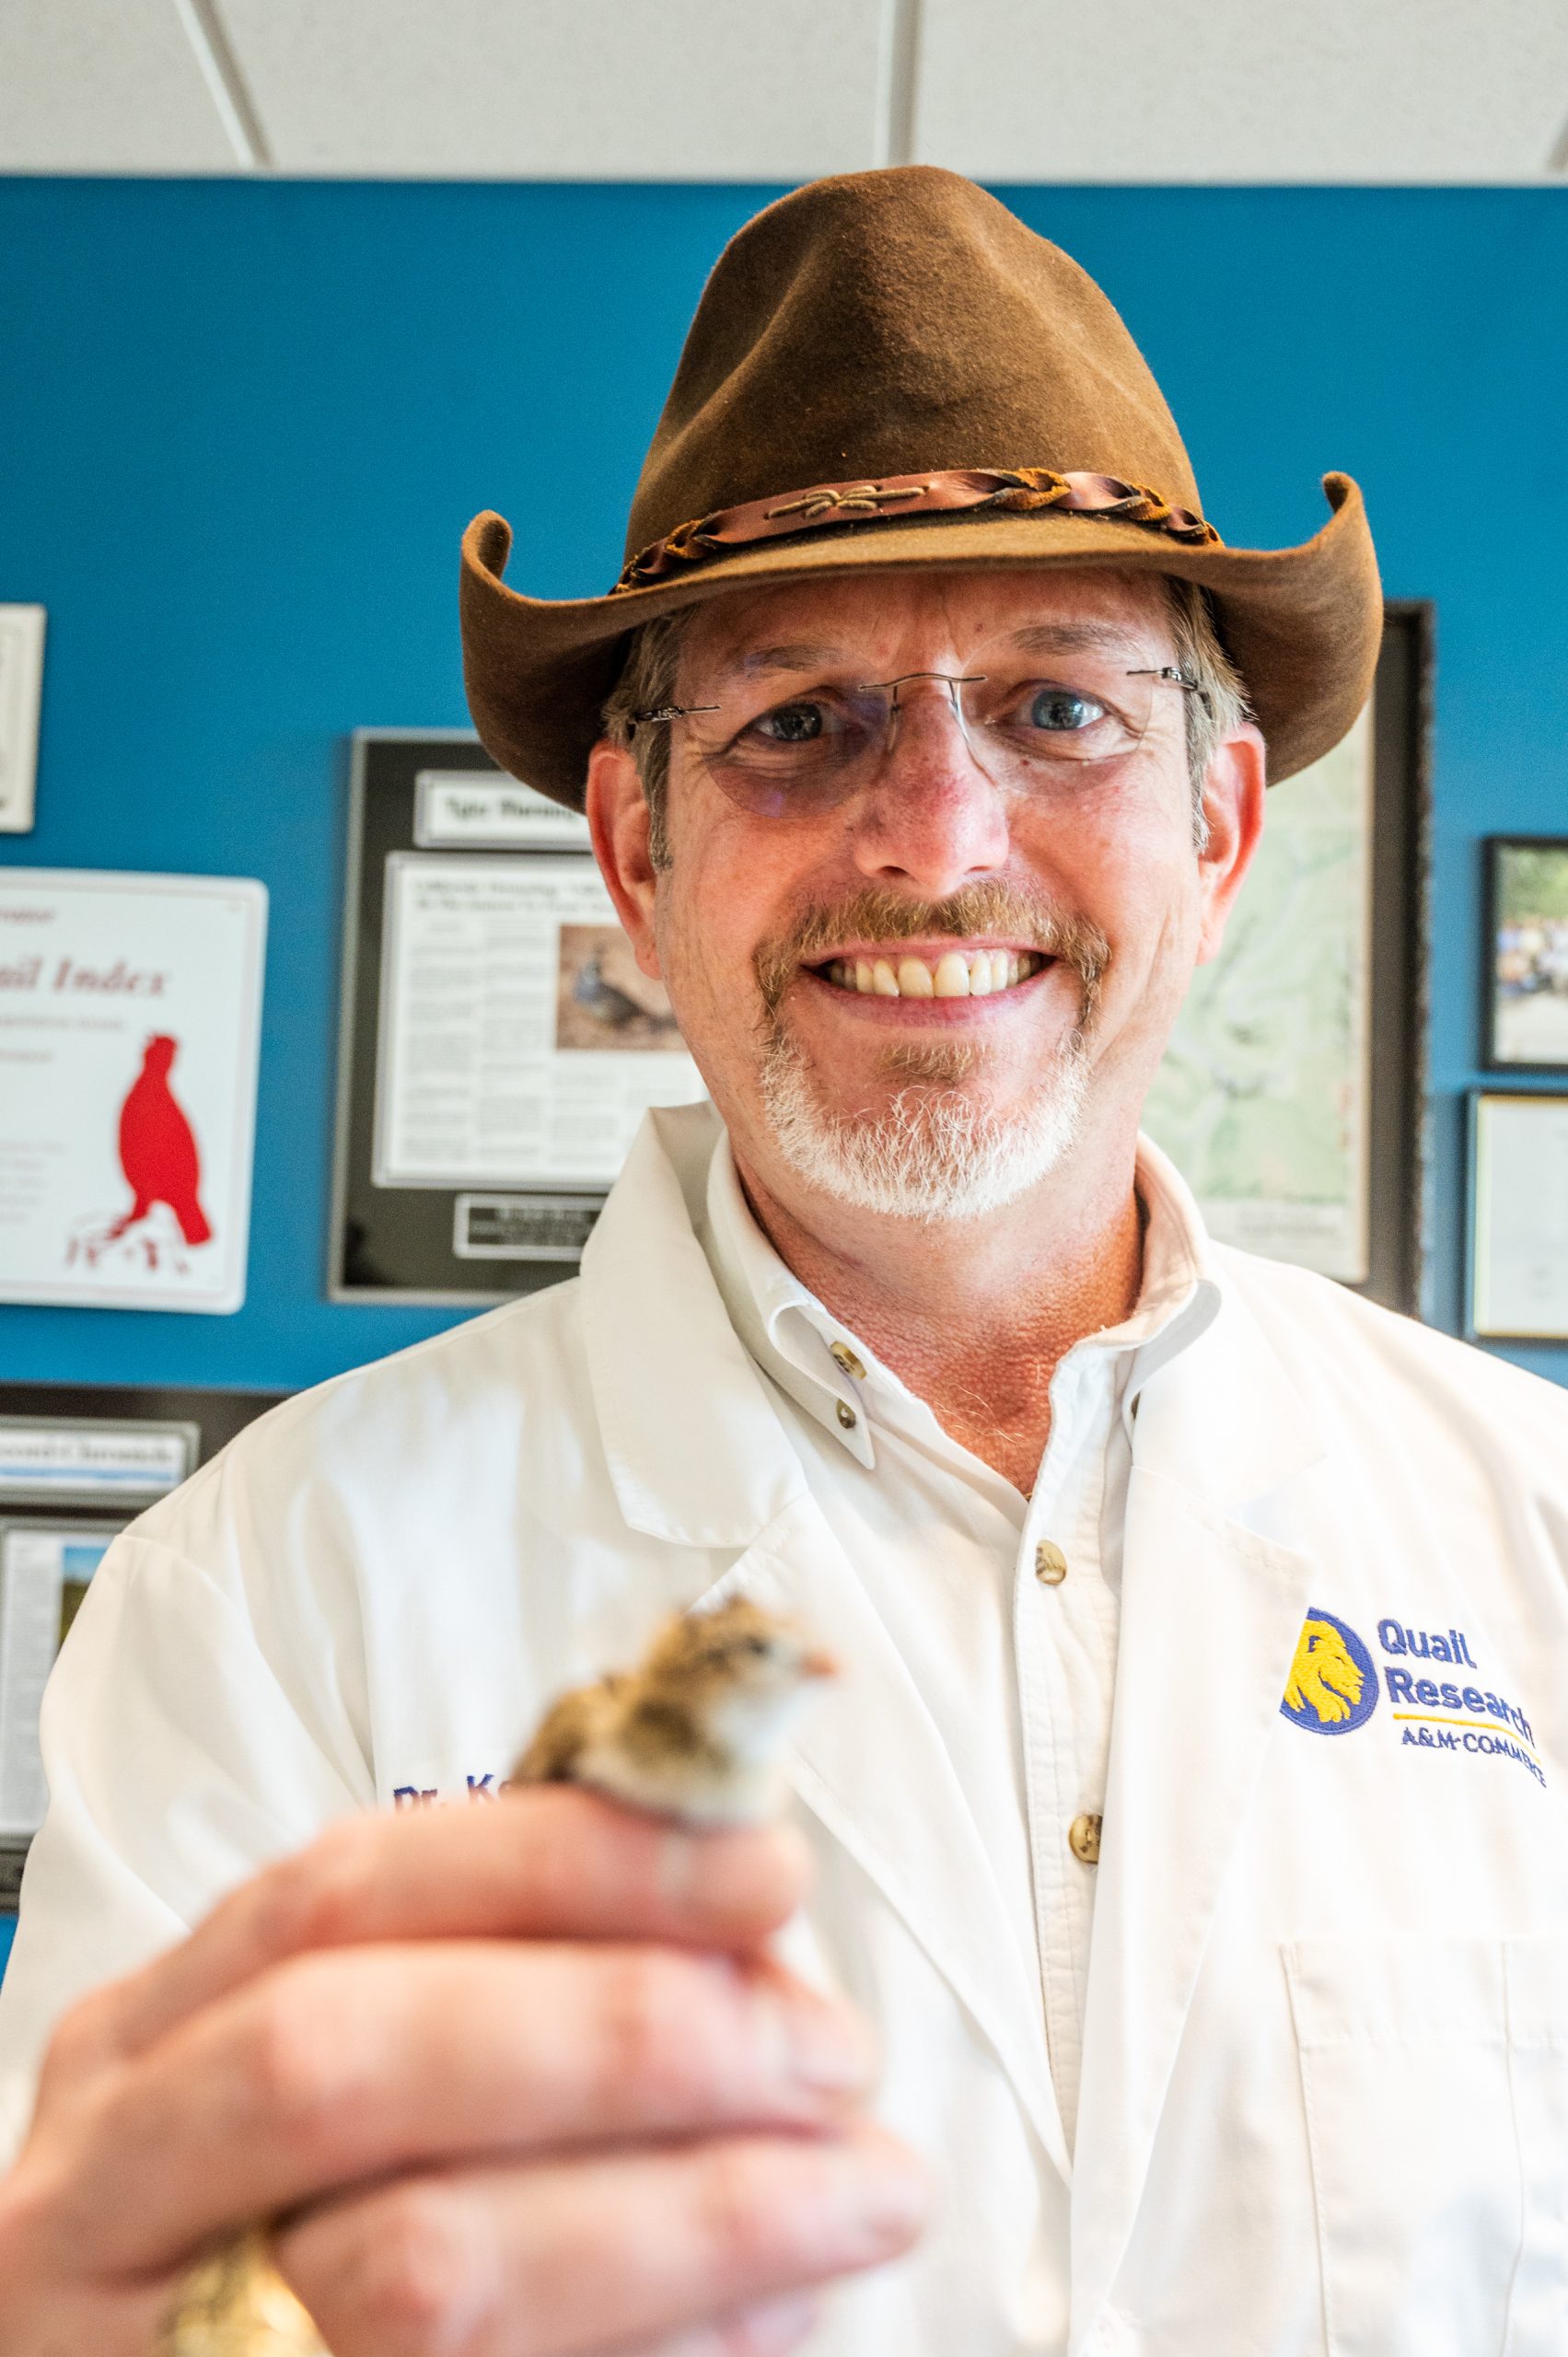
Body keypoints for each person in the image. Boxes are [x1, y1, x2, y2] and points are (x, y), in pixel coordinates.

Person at [3, 165, 1567, 2357]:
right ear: (642, 856)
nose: (935, 832)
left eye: (1058, 708)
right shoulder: (270, 1591)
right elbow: (148, 2294)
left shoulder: (1532, 1528)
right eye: (799, 720)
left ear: (1215, 832)